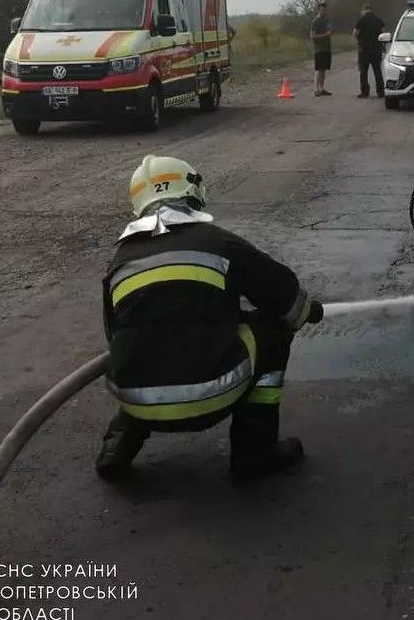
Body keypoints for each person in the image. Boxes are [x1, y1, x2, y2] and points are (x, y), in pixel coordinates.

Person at [96, 155, 326, 483]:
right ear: (194, 190)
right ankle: (255, 454)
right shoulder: (218, 243)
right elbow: (285, 300)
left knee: (141, 346)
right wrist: (308, 312)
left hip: (135, 400)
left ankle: (117, 448)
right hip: (212, 396)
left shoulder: (120, 261)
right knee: (273, 331)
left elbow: (115, 338)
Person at [353, 3, 387, 99]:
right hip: (376, 49)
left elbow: (355, 33)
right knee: (377, 70)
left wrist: (360, 40)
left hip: (364, 49)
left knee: (363, 71)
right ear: (372, 10)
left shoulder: (361, 20)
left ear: (364, 10)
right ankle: (380, 91)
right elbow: (383, 32)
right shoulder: (378, 20)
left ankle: (364, 92)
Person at [310, 2, 334, 96]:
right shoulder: (315, 21)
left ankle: (322, 88)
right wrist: (325, 35)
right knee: (319, 69)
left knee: (324, 69)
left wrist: (331, 32)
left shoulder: (326, 20)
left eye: (325, 10)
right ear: (319, 10)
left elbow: (329, 30)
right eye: (322, 10)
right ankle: (316, 89)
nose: (324, 11)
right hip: (319, 48)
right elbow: (312, 36)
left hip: (327, 48)